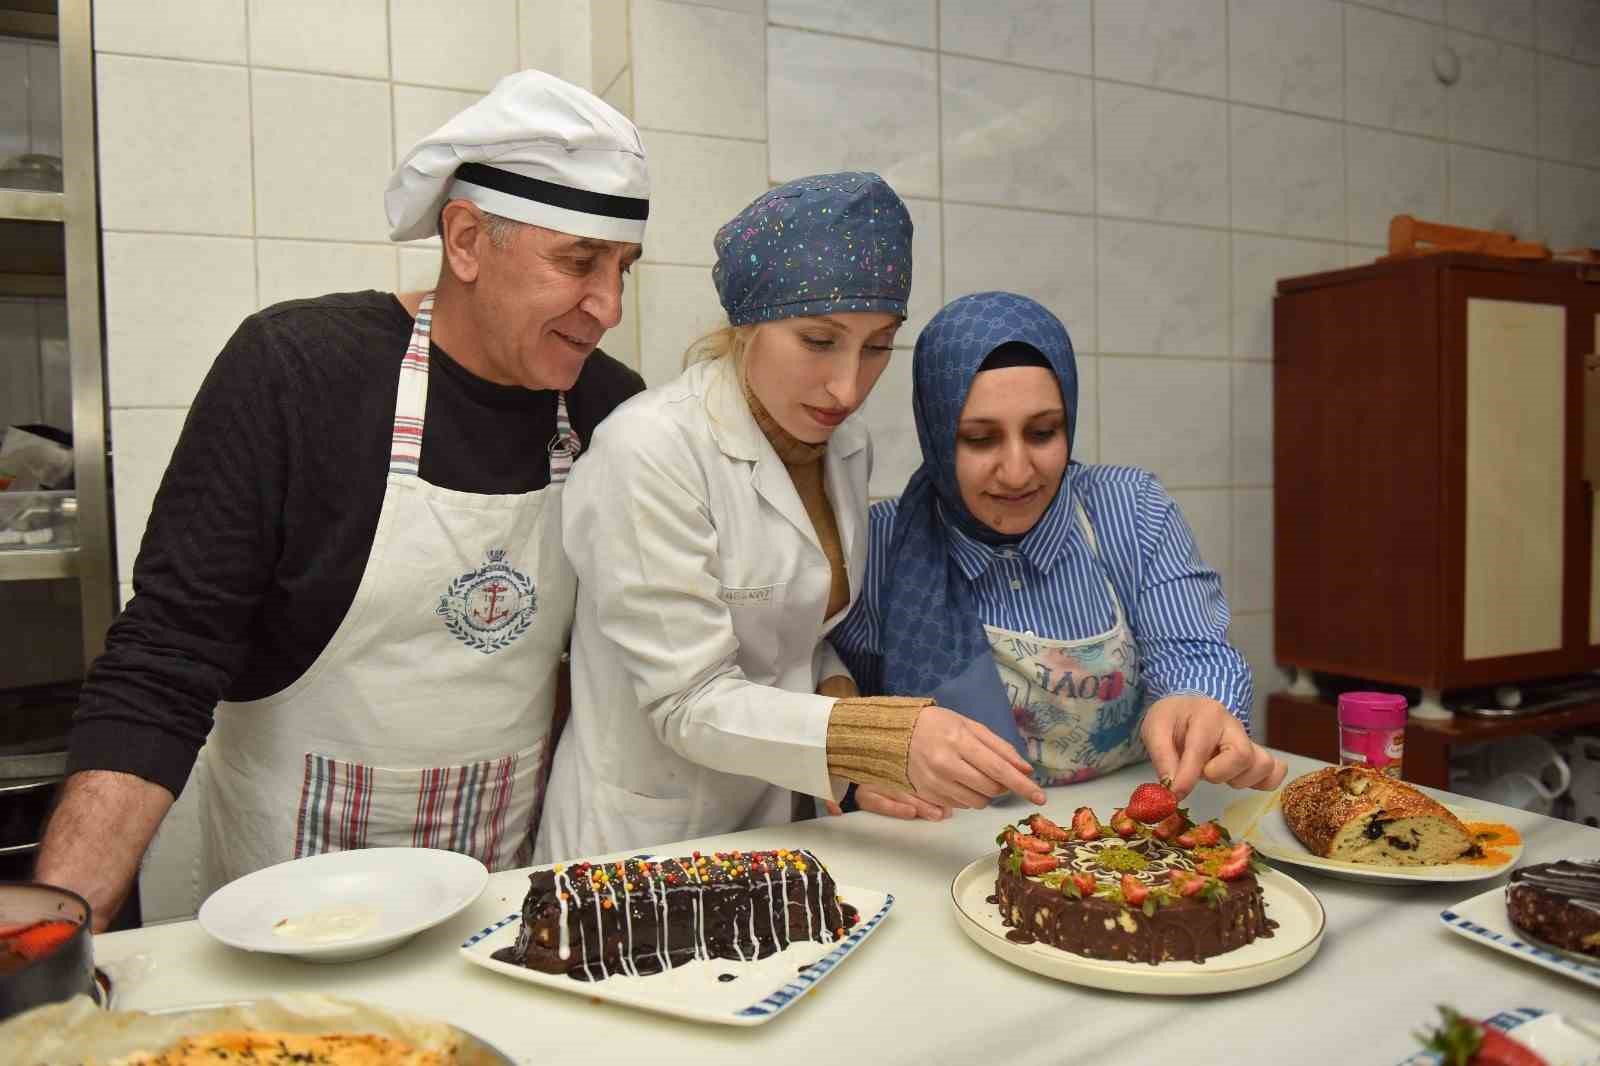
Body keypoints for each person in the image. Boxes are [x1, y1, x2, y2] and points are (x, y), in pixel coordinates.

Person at [35, 71, 650, 928]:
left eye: (623, 268)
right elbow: (165, 658)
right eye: (579, 263)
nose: (609, 307)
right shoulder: (297, 371)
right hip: (280, 907)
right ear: (467, 240)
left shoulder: (609, 410)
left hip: (499, 905)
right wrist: (58, 920)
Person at [535, 174, 1046, 863]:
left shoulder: (842, 446)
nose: (848, 387)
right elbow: (689, 701)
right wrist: (878, 736)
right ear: (746, 324)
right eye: (818, 340)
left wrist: (842, 716)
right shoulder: (649, 450)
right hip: (642, 842)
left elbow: (795, 635)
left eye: (876, 347)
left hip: (778, 825)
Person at [832, 291, 1285, 815]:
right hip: (944, 845)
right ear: (935, 436)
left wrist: (1197, 704)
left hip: (1131, 831)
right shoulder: (877, 545)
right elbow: (815, 695)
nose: (1019, 471)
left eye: (1043, 432)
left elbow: (1193, 651)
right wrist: (854, 774)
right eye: (979, 439)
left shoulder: (1130, 509)